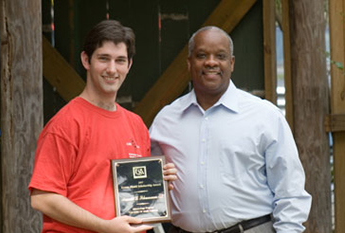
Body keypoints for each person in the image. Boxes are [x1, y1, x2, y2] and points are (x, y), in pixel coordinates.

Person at [149, 26, 312, 233]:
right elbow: (147, 185)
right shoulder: (166, 120)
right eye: (201, 55)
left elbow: (290, 189)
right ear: (189, 63)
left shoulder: (265, 116)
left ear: (231, 63)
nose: (211, 62)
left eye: (220, 56)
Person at [28, 20, 177, 233]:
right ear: (86, 60)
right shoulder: (66, 123)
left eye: (120, 60)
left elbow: (134, 196)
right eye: (104, 59)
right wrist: (105, 227)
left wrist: (157, 182)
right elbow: (43, 199)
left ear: (129, 65)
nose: (112, 69)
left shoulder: (136, 125)